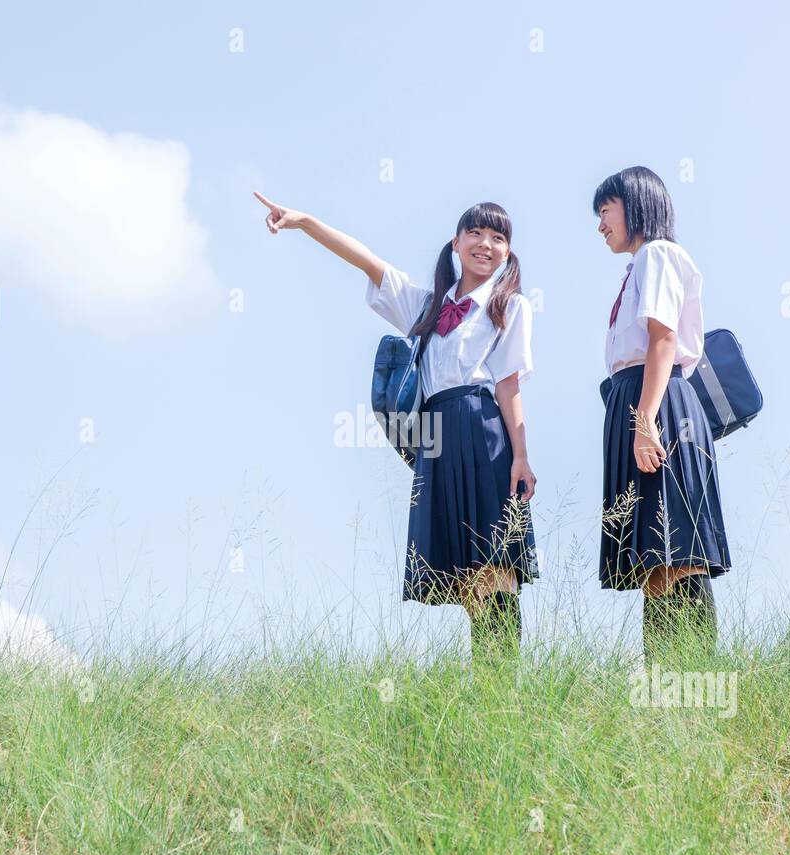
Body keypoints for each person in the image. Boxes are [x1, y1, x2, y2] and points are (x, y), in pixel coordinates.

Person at [255, 192, 538, 665]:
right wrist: (305, 222)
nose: (486, 244)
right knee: (465, 574)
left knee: (496, 566)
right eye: (476, 233)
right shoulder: (427, 307)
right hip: (437, 437)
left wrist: (522, 457)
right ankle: (487, 694)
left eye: (498, 237)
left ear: (508, 251)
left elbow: (509, 386)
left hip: (483, 429)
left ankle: (504, 690)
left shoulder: (511, 305)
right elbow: (368, 263)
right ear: (455, 242)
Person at [593, 167, 730, 661]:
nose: (600, 224)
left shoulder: (658, 254)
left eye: (605, 210)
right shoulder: (639, 266)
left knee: (680, 554)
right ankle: (664, 695)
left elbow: (663, 339)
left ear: (635, 204)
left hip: (659, 404)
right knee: (656, 561)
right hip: (640, 402)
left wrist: (645, 420)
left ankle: (695, 689)